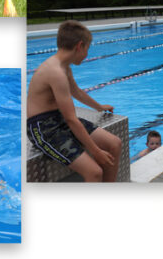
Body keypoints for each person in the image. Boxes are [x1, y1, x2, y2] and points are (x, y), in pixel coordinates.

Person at [26, 20, 122, 182]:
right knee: (94, 172)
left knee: (115, 143)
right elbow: (71, 119)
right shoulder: (55, 72)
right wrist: (96, 151)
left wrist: (99, 107)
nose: (87, 54)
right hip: (42, 128)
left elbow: (76, 92)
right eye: (87, 49)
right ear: (80, 46)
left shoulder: (64, 66)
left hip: (58, 118)